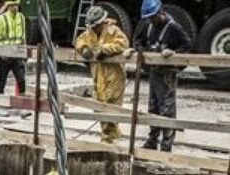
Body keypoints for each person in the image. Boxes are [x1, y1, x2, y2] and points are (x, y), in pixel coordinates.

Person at [129, 0, 190, 152]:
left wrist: (175, 53)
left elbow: (187, 45)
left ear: (161, 12)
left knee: (167, 110)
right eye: (149, 18)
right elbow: (138, 41)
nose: (152, 20)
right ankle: (152, 140)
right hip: (153, 72)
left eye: (154, 17)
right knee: (153, 107)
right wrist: (138, 50)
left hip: (167, 74)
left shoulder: (173, 27)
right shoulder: (147, 25)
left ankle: (166, 145)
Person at [73, 5, 129, 144]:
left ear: (101, 22)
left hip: (114, 75)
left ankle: (107, 138)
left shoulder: (113, 31)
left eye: (95, 26)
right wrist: (84, 49)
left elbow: (123, 44)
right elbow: (79, 41)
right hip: (98, 75)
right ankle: (112, 134)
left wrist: (104, 49)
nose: (93, 28)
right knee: (99, 105)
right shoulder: (89, 33)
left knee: (111, 106)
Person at [0, 0, 27, 95]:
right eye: (13, 5)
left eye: (16, 5)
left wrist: (24, 54)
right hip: (5, 56)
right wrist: (1, 53)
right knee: (2, 80)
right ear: (8, 6)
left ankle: (22, 99)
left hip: (17, 54)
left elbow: (23, 37)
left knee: (21, 79)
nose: (15, 7)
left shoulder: (21, 18)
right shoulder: (2, 19)